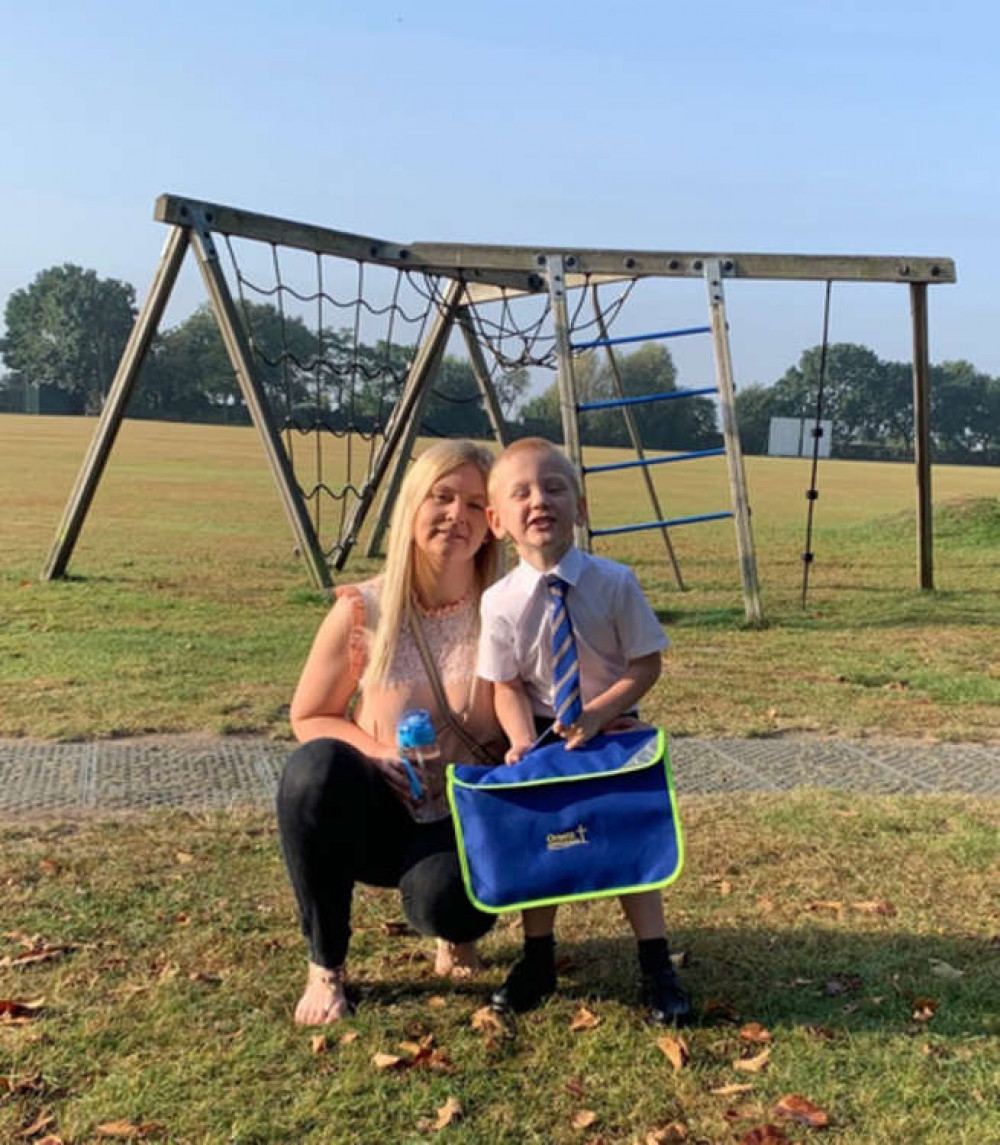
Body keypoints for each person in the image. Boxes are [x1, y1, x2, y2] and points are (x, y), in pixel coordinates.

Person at [277, 439, 505, 1024]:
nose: (457, 515)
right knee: (313, 769)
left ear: (493, 524)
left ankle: (453, 931)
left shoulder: (505, 611)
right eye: (442, 496)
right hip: (377, 809)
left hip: (458, 816)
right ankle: (325, 966)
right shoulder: (364, 610)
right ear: (412, 506)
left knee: (452, 903)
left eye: (476, 505)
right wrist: (378, 753)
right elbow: (309, 714)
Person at [477, 437, 691, 1026]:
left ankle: (656, 968)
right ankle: (538, 960)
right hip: (542, 736)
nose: (538, 500)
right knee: (541, 848)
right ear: (498, 522)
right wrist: (520, 740)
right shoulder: (498, 602)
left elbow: (646, 663)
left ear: (581, 504)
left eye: (553, 486)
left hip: (613, 725)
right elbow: (506, 684)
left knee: (631, 842)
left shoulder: (615, 582)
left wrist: (600, 712)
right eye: (520, 493)